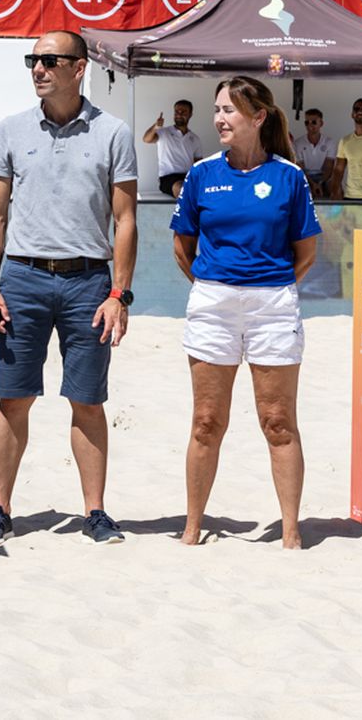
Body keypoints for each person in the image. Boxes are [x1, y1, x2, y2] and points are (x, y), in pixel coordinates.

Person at [0, 30, 137, 547]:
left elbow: (126, 219)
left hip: (89, 281)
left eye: (49, 60)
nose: (38, 68)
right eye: (33, 60)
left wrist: (119, 294)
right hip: (21, 279)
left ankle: (95, 512)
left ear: (78, 67)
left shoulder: (113, 132)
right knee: (13, 398)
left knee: (87, 400)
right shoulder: (10, 129)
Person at [172, 77, 320, 550]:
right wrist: (214, 287)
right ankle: (193, 526)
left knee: (278, 421)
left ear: (258, 117)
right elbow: (182, 246)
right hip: (213, 304)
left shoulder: (289, 177)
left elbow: (306, 253)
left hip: (273, 304)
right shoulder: (201, 173)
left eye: (230, 111)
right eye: (216, 109)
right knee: (206, 422)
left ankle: (291, 531)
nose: (219, 118)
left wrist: (267, 288)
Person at [142, 100, 204, 198]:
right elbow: (146, 139)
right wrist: (156, 126)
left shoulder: (195, 139)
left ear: (190, 114)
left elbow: (198, 164)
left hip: (188, 177)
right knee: (182, 189)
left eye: (183, 112)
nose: (179, 114)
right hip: (168, 178)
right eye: (177, 112)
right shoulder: (163, 132)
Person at [292, 108, 336, 198]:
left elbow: (328, 167)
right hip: (306, 177)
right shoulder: (298, 143)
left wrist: (319, 183)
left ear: (321, 123)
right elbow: (300, 168)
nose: (310, 125)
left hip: (323, 178)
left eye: (314, 122)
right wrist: (312, 184)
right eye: (307, 122)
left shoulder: (329, 142)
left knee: (334, 185)